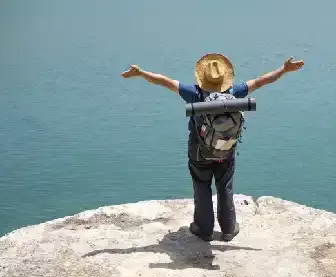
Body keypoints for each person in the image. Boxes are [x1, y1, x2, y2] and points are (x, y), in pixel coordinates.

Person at [121, 53, 304, 241]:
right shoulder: (234, 92)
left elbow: (165, 82)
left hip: (199, 153)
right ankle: (228, 229)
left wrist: (141, 73)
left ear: (203, 78)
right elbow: (260, 82)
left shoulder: (194, 93)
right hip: (225, 152)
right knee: (225, 187)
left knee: (201, 186)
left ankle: (204, 229)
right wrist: (284, 70)